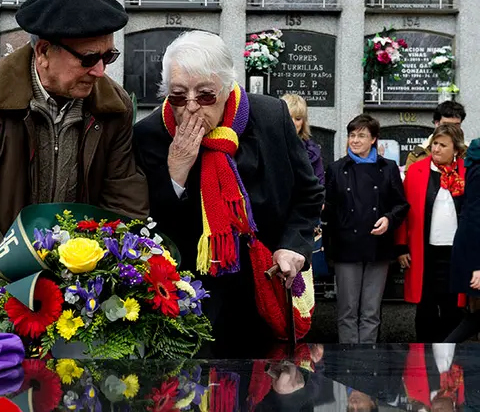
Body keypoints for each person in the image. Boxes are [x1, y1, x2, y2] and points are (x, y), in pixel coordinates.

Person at [0, 0, 148, 333]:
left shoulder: (114, 107)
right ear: (43, 51)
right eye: (89, 58)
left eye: (109, 57)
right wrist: (25, 277)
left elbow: (124, 202)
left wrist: (92, 275)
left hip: (78, 300)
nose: (100, 71)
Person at [133, 30, 323, 357]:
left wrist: (293, 247)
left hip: (263, 285)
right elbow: (149, 225)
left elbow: (307, 194)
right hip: (188, 295)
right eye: (178, 96)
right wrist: (176, 170)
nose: (190, 108)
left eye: (205, 96)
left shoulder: (270, 117)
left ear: (226, 88)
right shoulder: (149, 134)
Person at [323, 114, 409, 344]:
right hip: (346, 246)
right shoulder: (336, 168)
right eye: (352, 135)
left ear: (373, 139)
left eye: (361, 135)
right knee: (347, 310)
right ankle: (348, 362)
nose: (355, 140)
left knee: (371, 311)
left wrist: (389, 219)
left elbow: (401, 204)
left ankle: (368, 362)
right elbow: (328, 207)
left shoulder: (388, 168)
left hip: (378, 247)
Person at [397, 123, 466, 342]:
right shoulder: (417, 171)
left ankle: (451, 365)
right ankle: (423, 362)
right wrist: (401, 247)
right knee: (425, 308)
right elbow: (404, 212)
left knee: (453, 309)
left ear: (455, 149)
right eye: (434, 143)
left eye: (442, 145)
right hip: (424, 252)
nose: (435, 149)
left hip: (456, 255)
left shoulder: (468, 171)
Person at [445, 138, 480, 343]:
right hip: (474, 251)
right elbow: (475, 218)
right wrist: (477, 266)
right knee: (474, 316)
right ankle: (442, 354)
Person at [405, 101, 465, 171]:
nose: (451, 129)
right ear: (437, 123)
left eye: (456, 125)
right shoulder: (418, 156)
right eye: (446, 125)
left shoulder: (469, 153)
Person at [281, 93, 324, 185]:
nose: (293, 123)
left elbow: (319, 186)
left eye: (298, 118)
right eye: (289, 117)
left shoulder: (312, 153)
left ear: (303, 122)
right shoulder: (266, 147)